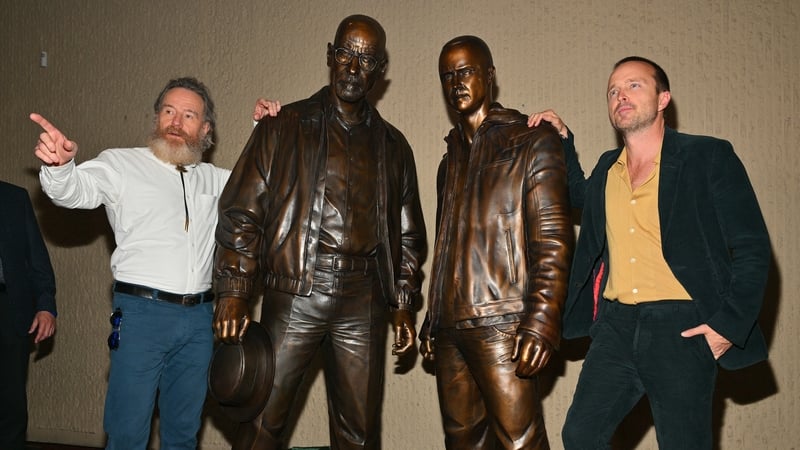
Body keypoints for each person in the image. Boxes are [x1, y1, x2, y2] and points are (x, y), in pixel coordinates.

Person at [529, 56, 771, 449]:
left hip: (682, 327)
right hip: (615, 327)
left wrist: (728, 326)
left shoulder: (707, 156)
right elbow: (577, 193)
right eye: (613, 91)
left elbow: (753, 248)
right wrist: (561, 139)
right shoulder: (609, 169)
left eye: (634, 85)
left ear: (663, 99)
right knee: (580, 435)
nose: (620, 95)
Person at [213, 14, 427, 450]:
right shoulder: (284, 126)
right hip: (295, 293)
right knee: (262, 422)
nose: (353, 67)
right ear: (330, 55)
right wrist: (234, 289)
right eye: (346, 53)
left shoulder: (394, 146)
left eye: (366, 59)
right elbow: (241, 211)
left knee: (359, 433)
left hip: (364, 301)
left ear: (380, 71)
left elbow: (409, 238)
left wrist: (403, 303)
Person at [31, 77, 229, 450]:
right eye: (168, 111)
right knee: (127, 431)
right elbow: (75, 191)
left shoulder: (216, 180)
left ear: (205, 130)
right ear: (156, 117)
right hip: (141, 315)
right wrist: (59, 167)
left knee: (184, 434)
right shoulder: (121, 163)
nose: (175, 121)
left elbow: (267, 186)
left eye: (189, 115)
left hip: (200, 320)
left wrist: (266, 127)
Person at [418, 35, 573, 450]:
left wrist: (542, 320)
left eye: (465, 71)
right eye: (447, 76)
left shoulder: (531, 141)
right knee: (462, 441)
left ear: (489, 75)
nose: (456, 84)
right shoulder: (447, 163)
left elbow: (554, 241)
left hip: (503, 322)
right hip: (451, 326)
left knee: (520, 441)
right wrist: (433, 316)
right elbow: (445, 245)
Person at [0, 181, 57, 450]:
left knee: (11, 402)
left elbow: (37, 258)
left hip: (9, 309)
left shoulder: (13, 197)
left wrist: (45, 306)